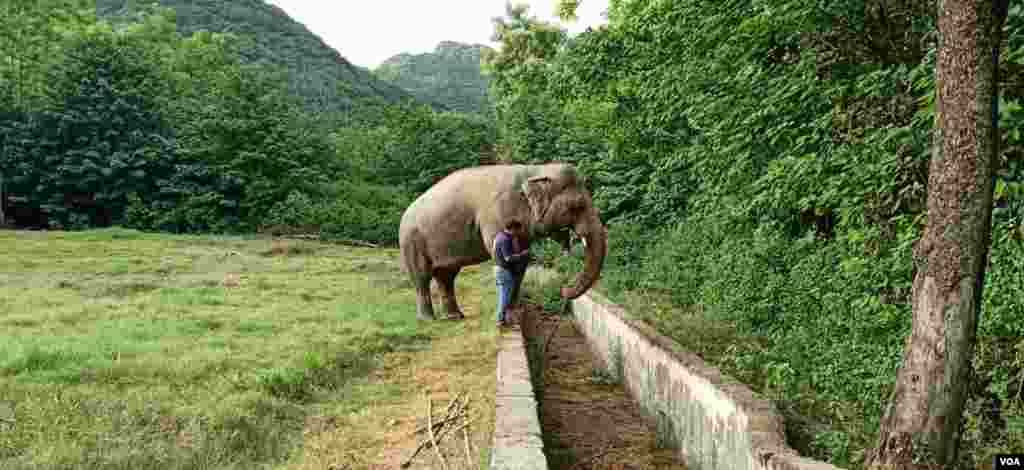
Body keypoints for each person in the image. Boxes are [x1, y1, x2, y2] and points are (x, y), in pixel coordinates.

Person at [493, 220, 531, 327]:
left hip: (498, 269)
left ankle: (503, 319)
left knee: (503, 295)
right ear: (513, 228)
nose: (518, 232)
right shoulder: (505, 239)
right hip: (504, 271)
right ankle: (500, 320)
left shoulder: (499, 236)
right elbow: (508, 258)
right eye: (518, 230)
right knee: (505, 297)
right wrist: (522, 254)